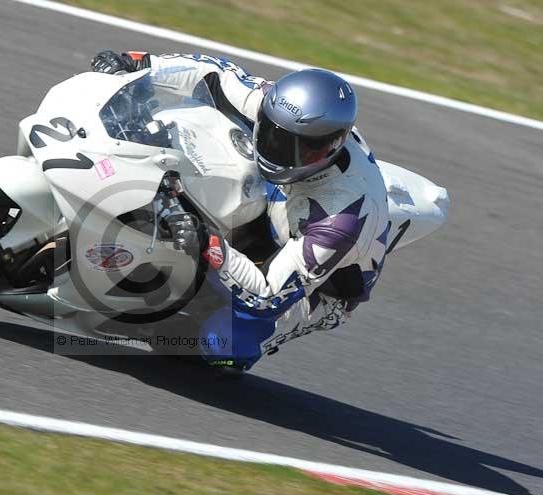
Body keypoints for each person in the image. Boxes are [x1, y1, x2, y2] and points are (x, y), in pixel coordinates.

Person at [91, 51, 390, 374]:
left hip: (316, 286)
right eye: (274, 135)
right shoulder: (278, 107)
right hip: (280, 203)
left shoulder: (342, 219)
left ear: (332, 147)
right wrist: (141, 64)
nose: (278, 150)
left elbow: (267, 295)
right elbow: (212, 73)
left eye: (300, 148)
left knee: (222, 343)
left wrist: (201, 238)